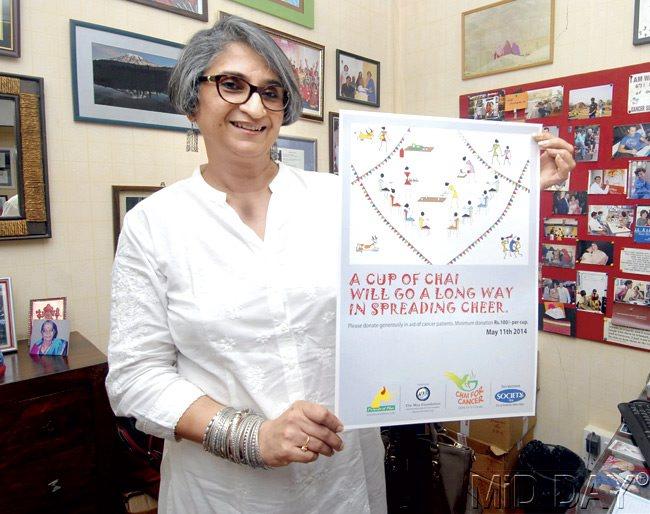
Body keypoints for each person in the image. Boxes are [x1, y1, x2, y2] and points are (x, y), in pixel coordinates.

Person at [105, 16, 576, 514]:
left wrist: (520, 186)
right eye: (231, 85)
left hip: (344, 478)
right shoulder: (154, 225)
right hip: (227, 491)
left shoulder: (339, 199)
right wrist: (251, 437)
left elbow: (430, 259)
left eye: (271, 92)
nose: (253, 105)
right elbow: (136, 377)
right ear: (192, 99)